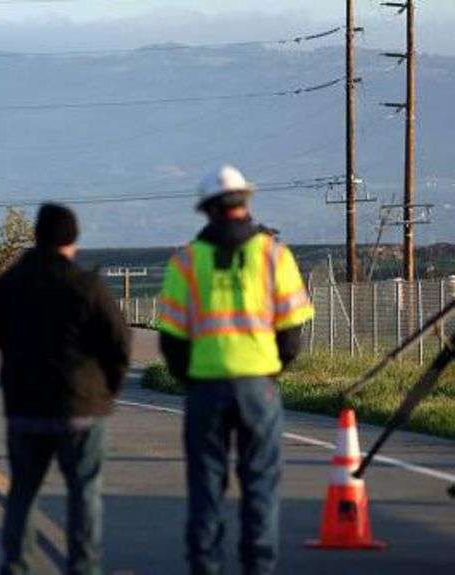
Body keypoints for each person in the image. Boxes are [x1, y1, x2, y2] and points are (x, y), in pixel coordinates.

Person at [156, 166, 314, 575]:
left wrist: (190, 379)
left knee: (206, 487)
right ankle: (258, 566)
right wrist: (271, 370)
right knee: (260, 484)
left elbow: (172, 339)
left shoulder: (186, 262)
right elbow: (292, 332)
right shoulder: (274, 255)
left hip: (205, 388)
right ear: (246, 201)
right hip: (258, 386)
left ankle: (205, 565)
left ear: (207, 209)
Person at [0, 203, 131, 575]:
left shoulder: (12, 283)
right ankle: (84, 567)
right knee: (85, 494)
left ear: (36, 236)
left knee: (23, 493)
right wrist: (107, 390)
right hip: (81, 408)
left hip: (26, 406)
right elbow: (119, 343)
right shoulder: (87, 286)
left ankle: (17, 565)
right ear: (73, 240)